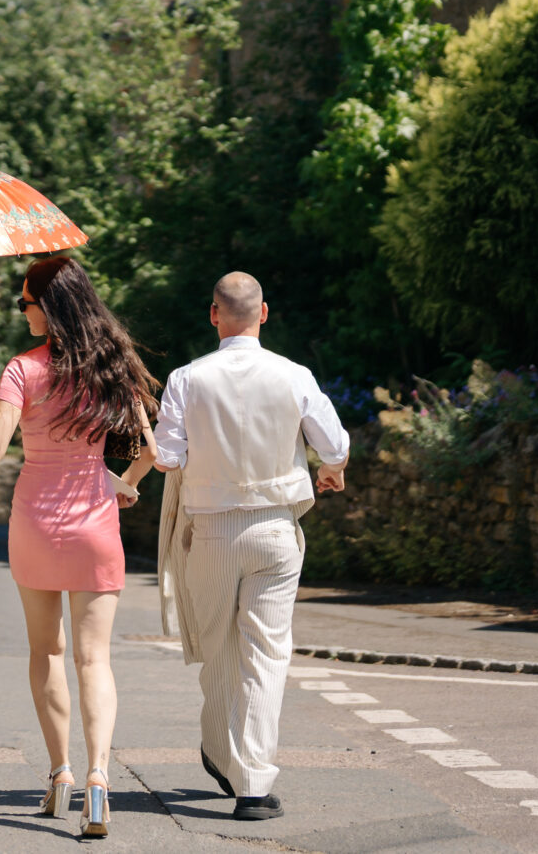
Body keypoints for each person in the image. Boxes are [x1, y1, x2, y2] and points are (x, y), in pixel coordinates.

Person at [119, 271, 348, 824]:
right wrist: (333, 470)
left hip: (212, 532)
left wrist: (135, 463)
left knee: (218, 650)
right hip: (274, 529)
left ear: (213, 314)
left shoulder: (187, 378)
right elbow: (334, 443)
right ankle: (252, 783)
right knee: (266, 656)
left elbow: (169, 456)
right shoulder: (293, 375)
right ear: (264, 313)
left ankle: (222, 753)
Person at [0, 254, 157, 839]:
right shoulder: (111, 366)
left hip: (36, 524)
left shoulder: (22, 370)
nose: (23, 311)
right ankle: (99, 779)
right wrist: (123, 484)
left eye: (26, 301)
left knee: (46, 652)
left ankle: (60, 774)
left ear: (48, 306)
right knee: (94, 659)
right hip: (95, 523)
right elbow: (158, 447)